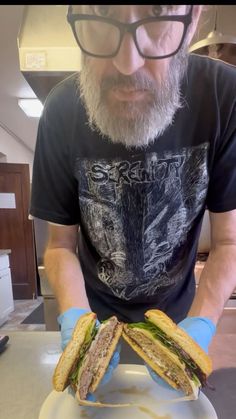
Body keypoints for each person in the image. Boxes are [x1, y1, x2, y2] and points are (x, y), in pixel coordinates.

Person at [30, 5, 236, 394]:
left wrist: (201, 325)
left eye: (158, 14)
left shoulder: (224, 99)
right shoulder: (59, 112)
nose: (127, 63)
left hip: (177, 323)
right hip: (94, 321)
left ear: (192, 21)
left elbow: (229, 241)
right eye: (103, 13)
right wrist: (76, 318)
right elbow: (60, 245)